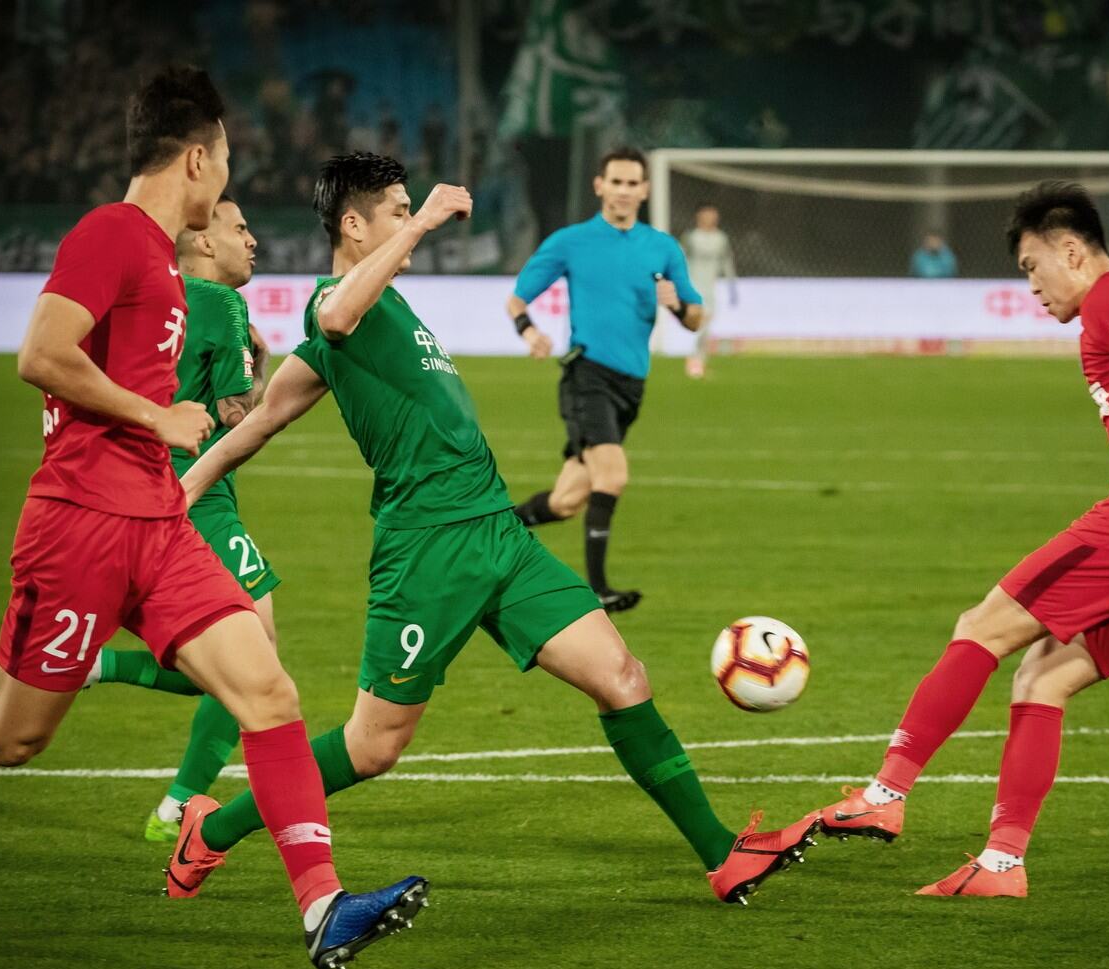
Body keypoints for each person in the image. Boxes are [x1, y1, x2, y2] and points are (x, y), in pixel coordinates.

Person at [0, 68, 419, 969]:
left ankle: (323, 906)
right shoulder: (110, 233)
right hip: (79, 525)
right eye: (224, 160)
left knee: (268, 694)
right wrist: (157, 416)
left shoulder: (162, 260)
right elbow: (40, 353)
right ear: (196, 159)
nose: (228, 180)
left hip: (157, 523)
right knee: (9, 735)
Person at [167, 151, 820, 910]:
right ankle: (213, 829)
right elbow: (334, 318)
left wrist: (185, 487)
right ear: (354, 225)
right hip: (426, 551)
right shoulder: (332, 307)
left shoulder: (378, 314)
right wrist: (424, 222)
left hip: (499, 534)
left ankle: (721, 855)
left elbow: (260, 421)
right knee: (373, 746)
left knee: (622, 677)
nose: (409, 221)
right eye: (396, 210)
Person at [812, 181, 1109, 896]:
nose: (1030, 286)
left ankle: (884, 793)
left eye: (1032, 267)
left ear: (1071, 251)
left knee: (981, 627)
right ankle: (1002, 863)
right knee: (1043, 677)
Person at [76, 194, 281, 843]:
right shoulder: (222, 303)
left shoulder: (153, 300)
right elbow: (236, 417)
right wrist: (270, 377)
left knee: (228, 663)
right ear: (204, 241)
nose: (252, 240)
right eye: (240, 228)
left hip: (134, 488)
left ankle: (101, 669)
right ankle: (179, 807)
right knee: (254, 654)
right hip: (198, 495)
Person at [506, 147, 704, 612]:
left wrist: (677, 305)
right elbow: (517, 299)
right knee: (612, 475)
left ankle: (484, 533)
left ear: (645, 190)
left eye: (632, 183)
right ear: (599, 186)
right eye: (616, 181)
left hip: (631, 386)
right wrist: (530, 332)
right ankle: (598, 590)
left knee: (566, 501)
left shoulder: (662, 247)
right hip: (587, 375)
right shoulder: (571, 242)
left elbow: (695, 317)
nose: (623, 191)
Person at [679, 203, 738, 379]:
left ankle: (698, 362)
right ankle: (695, 361)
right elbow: (679, 259)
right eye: (706, 214)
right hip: (693, 287)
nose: (710, 218)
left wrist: (732, 285)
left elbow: (726, 262)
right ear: (699, 216)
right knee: (700, 324)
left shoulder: (721, 238)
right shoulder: (691, 238)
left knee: (706, 327)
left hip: (710, 289)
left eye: (713, 214)